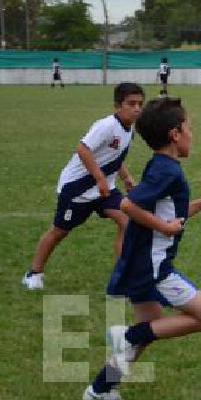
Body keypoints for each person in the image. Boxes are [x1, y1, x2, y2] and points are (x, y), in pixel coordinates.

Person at [83, 97, 201, 400]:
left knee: (151, 327)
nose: (193, 133)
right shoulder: (168, 171)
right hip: (154, 267)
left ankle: (101, 388)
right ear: (175, 134)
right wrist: (163, 229)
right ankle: (128, 335)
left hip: (139, 262)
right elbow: (129, 204)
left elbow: (167, 213)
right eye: (189, 127)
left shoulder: (161, 166)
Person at [22, 83, 144, 290]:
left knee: (128, 222)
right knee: (59, 231)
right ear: (117, 105)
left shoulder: (129, 129)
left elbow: (114, 156)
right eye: (131, 104)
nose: (137, 109)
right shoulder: (106, 126)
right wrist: (100, 179)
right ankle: (33, 273)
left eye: (140, 104)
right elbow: (83, 149)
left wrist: (126, 177)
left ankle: (122, 275)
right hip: (78, 189)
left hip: (104, 190)